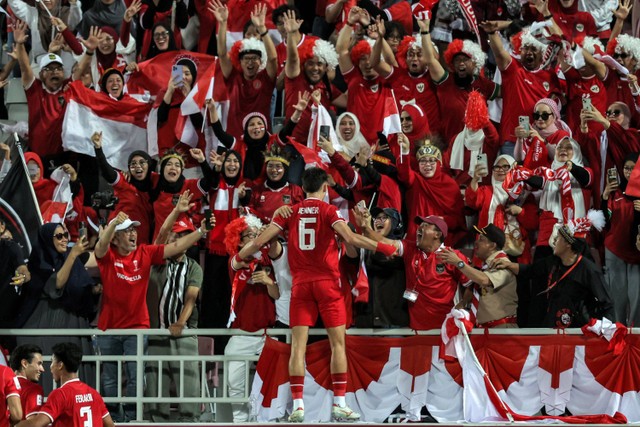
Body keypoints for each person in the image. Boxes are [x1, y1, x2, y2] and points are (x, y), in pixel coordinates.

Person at [238, 167, 396, 422]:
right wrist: (384, 246)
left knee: (297, 348)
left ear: (302, 188)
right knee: (338, 345)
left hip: (300, 286)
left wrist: (238, 257)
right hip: (327, 285)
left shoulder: (290, 211)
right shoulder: (329, 210)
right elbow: (351, 239)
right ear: (324, 188)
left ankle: (299, 405)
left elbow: (259, 242)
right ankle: (340, 403)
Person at [94, 211, 212, 422]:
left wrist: (202, 231)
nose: (133, 234)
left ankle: (132, 419)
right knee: (110, 380)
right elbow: (100, 247)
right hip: (109, 328)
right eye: (127, 230)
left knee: (136, 380)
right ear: (116, 237)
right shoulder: (109, 255)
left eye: (134, 230)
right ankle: (113, 419)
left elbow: (175, 247)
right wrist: (112, 225)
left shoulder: (145, 253)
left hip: (138, 329)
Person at [146, 193, 207, 422]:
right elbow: (161, 235)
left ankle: (190, 423)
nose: (176, 238)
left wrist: (181, 323)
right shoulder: (158, 261)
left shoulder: (193, 267)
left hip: (184, 334)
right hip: (156, 334)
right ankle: (155, 424)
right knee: (155, 391)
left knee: (188, 388)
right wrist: (176, 212)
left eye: (182, 235)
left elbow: (191, 298)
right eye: (175, 234)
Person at [491, 214, 613, 328]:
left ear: (568, 244)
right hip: (552, 326)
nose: (554, 241)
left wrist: (602, 331)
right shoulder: (553, 261)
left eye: (558, 238)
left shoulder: (589, 270)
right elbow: (530, 270)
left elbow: (607, 304)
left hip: (577, 331)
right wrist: (508, 265)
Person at [15, 223, 97, 393]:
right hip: (44, 331)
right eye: (59, 236)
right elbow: (56, 285)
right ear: (47, 239)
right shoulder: (37, 265)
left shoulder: (71, 260)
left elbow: (98, 259)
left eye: (66, 235)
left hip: (73, 329)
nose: (64, 239)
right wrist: (73, 255)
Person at [480, 13, 562, 156]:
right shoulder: (513, 69)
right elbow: (499, 52)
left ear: (541, 53)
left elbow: (558, 104)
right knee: (511, 177)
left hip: (539, 138)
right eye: (525, 49)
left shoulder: (550, 76)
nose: (529, 53)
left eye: (533, 49)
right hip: (511, 138)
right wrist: (492, 33)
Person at [223, 214, 278, 422]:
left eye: (257, 235)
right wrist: (261, 237)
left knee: (270, 383)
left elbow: (278, 295)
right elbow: (245, 254)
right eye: (250, 235)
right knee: (234, 384)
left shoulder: (269, 262)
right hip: (241, 334)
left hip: (268, 334)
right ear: (238, 240)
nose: (256, 239)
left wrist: (268, 281)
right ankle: (240, 422)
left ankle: (263, 421)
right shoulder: (234, 262)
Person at [420, 19, 498, 144]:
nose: (461, 63)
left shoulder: (484, 84)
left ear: (474, 63)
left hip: (477, 145)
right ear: (451, 63)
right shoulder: (445, 80)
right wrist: (424, 31)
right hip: (450, 144)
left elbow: (509, 92)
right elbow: (430, 60)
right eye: (457, 60)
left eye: (465, 59)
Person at [210, 1, 277, 139]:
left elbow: (273, 59)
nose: (250, 62)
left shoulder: (266, 78)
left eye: (254, 58)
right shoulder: (233, 75)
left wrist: (262, 28)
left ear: (260, 61)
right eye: (246, 58)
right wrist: (223, 23)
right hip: (235, 139)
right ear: (239, 61)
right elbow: (222, 54)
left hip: (262, 140)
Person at [15, 342, 115, 427]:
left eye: (52, 362)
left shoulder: (60, 395)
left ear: (60, 365)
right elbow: (110, 425)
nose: (50, 367)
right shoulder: (94, 394)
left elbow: (36, 423)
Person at [439, 224, 518, 328]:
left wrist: (459, 263)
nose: (476, 242)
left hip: (501, 330)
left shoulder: (503, 262)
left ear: (493, 245)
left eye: (481, 239)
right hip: (486, 329)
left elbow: (484, 280)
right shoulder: (486, 266)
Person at [397, 136, 466, 246]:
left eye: (432, 161)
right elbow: (404, 173)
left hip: (441, 240)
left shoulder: (450, 185)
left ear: (439, 163)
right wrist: (405, 151)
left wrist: (443, 220)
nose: (427, 165)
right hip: (416, 238)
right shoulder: (415, 180)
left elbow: (458, 221)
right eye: (423, 161)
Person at [91, 132, 157, 244]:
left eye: (142, 162)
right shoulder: (124, 182)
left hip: (141, 244)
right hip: (117, 241)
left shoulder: (155, 186)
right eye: (133, 163)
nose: (137, 166)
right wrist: (98, 149)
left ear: (149, 166)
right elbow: (108, 173)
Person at [351, 206, 409, 328]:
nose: (378, 221)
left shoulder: (403, 247)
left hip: (392, 321)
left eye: (384, 218)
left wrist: (366, 228)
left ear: (396, 224)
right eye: (376, 218)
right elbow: (351, 255)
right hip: (366, 320)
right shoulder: (365, 246)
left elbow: (383, 253)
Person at [601, 152, 640, 325]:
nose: (629, 172)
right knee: (617, 297)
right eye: (626, 168)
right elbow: (604, 221)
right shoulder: (615, 192)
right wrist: (604, 197)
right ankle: (617, 332)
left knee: (637, 297)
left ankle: (636, 337)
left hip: (636, 254)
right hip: (614, 251)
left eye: (633, 168)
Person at [514, 98, 571, 168]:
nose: (540, 119)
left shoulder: (562, 135)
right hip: (531, 175)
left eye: (545, 115)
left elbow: (560, 158)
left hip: (552, 176)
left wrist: (541, 141)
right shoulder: (529, 134)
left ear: (554, 116)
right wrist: (519, 140)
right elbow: (519, 159)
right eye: (536, 115)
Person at [10, 344, 44, 420]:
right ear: (24, 363)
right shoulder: (34, 389)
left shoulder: (3, 385)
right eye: (39, 364)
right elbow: (33, 424)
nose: (42, 369)